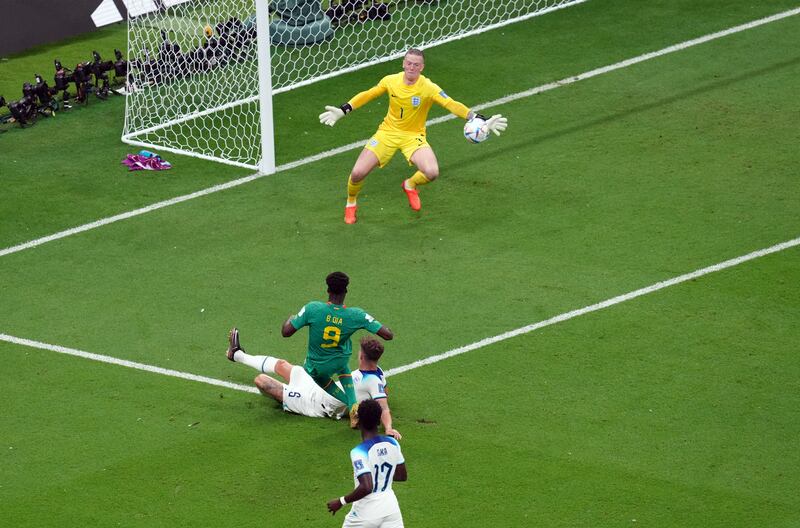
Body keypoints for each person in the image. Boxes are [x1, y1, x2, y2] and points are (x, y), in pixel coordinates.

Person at [319, 47, 508, 224]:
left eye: (416, 64)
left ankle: (409, 184)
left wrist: (479, 118)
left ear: (422, 67)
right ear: (403, 63)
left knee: (432, 172)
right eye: (409, 63)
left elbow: (451, 104)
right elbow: (369, 94)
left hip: (413, 136)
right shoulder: (390, 80)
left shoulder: (428, 87)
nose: (412, 67)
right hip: (387, 133)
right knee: (357, 173)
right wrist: (344, 110)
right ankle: (351, 202)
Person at [226, 329, 402, 439]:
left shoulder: (372, 381)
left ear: (362, 356)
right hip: (318, 385)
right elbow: (383, 393)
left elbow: (384, 407)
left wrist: (388, 428)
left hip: (314, 403)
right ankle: (237, 355)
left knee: (261, 381)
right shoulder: (378, 373)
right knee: (282, 365)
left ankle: (286, 399)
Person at [282, 271, 394, 426]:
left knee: (319, 376)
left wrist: (290, 318)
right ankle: (353, 405)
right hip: (340, 361)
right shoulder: (356, 315)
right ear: (346, 291)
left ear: (328, 290)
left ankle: (351, 404)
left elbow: (286, 332)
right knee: (343, 365)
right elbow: (388, 335)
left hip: (317, 367)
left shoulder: (312, 309)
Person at [326, 398, 407, 527]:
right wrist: (380, 476)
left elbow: (367, 486)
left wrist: (340, 501)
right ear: (379, 420)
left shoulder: (359, 452)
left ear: (359, 421)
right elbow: (402, 476)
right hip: (391, 510)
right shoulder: (393, 443)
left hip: (365, 514)